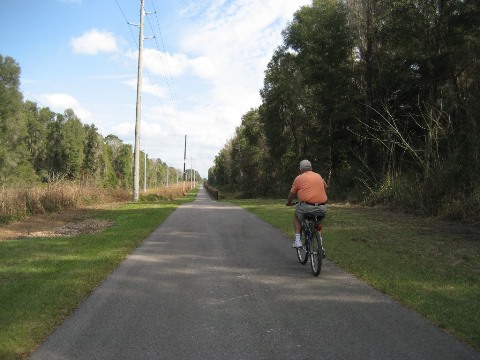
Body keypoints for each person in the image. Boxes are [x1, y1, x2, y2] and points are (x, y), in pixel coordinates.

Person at [286, 159, 328, 248]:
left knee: (297, 216)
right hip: (322, 207)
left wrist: (289, 202)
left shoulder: (299, 178)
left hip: (307, 207)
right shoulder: (319, 176)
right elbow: (324, 188)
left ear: (300, 169)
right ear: (311, 168)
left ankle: (297, 240)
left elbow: (292, 194)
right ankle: (320, 245)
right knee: (318, 224)